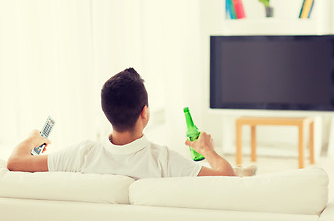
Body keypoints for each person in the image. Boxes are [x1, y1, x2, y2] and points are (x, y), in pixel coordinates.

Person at [7, 68, 255, 179]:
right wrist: (207, 150)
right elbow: (227, 177)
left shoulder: (81, 154)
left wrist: (33, 138)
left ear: (107, 112)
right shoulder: (164, 160)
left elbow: (15, 162)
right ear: (144, 113)